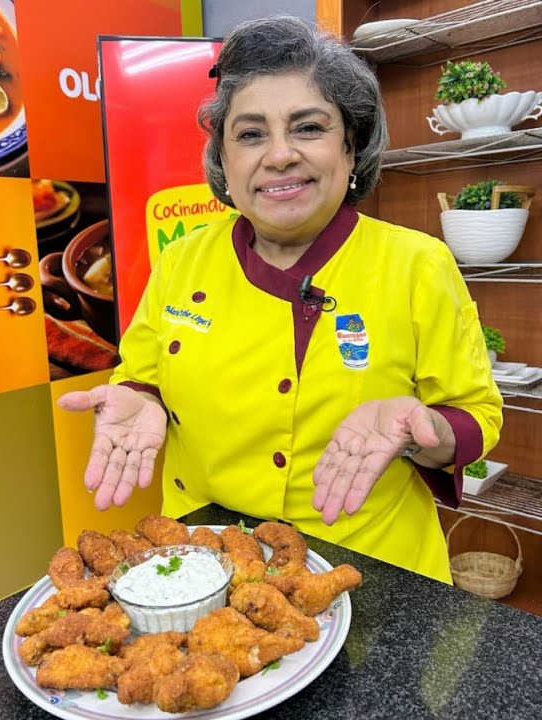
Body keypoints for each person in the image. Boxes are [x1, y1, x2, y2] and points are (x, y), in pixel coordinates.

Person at [58, 15, 502, 583]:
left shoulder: (418, 264)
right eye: (250, 134)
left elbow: (477, 415)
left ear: (352, 144)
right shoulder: (183, 259)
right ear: (224, 158)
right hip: (206, 562)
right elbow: (142, 373)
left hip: (371, 566)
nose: (280, 155)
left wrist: (424, 432)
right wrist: (140, 398)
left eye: (308, 128)